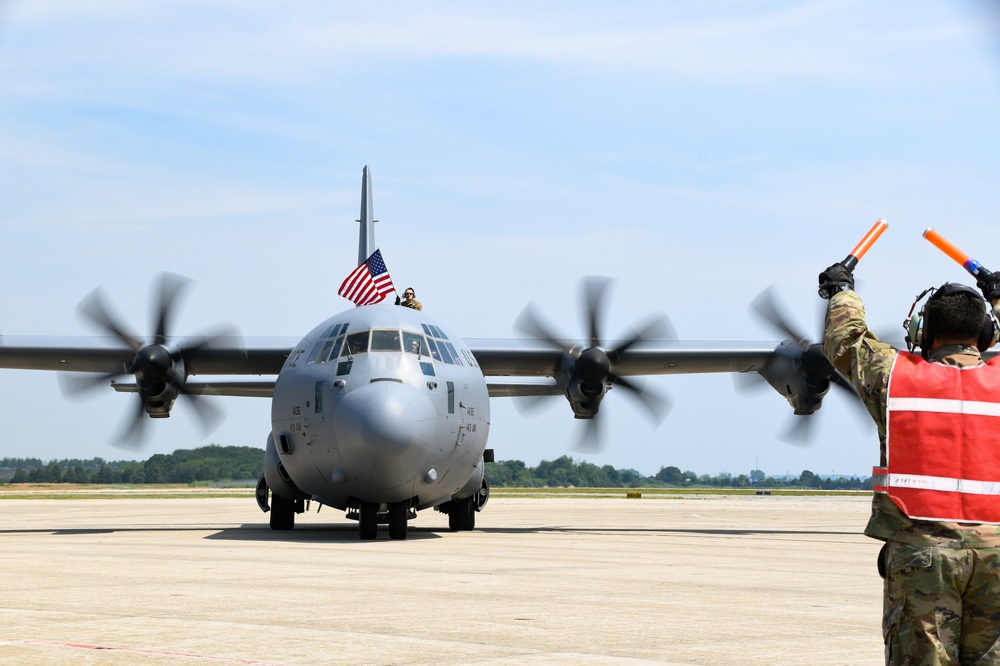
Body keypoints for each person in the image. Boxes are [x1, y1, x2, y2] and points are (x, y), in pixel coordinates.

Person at [819, 261, 1000, 665]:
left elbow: (845, 340)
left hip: (922, 555)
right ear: (987, 334)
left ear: (921, 333)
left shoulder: (893, 376)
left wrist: (841, 291)